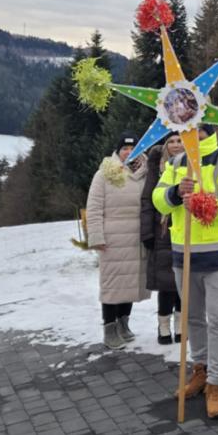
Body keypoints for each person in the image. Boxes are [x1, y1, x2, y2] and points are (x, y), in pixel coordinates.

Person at [152, 126, 218, 419]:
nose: (189, 137)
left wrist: (205, 204)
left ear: (205, 132)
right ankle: (200, 371)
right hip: (184, 256)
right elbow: (158, 199)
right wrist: (175, 193)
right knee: (191, 318)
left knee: (217, 321)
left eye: (195, 132)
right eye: (185, 132)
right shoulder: (176, 163)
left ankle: (215, 383)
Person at [86, 131, 151, 350]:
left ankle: (124, 323)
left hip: (137, 237)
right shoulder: (104, 174)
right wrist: (96, 236)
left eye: (133, 148)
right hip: (113, 239)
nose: (129, 152)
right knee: (113, 284)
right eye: (125, 148)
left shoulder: (145, 173)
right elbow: (94, 208)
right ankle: (110, 329)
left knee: (130, 282)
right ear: (118, 151)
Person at [140, 133, 184, 344]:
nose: (175, 145)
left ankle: (181, 324)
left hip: (185, 228)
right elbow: (147, 200)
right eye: (171, 142)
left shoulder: (192, 163)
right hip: (162, 231)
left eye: (179, 141)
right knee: (166, 282)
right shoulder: (158, 168)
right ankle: (164, 325)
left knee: (182, 282)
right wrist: (147, 233)